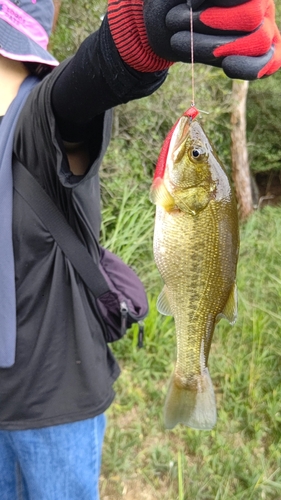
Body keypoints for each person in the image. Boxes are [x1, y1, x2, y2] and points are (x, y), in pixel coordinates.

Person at [0, 0, 280, 498]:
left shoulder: (37, 118)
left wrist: (136, 37)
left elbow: (76, 94)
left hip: (52, 400)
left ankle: (191, 374)